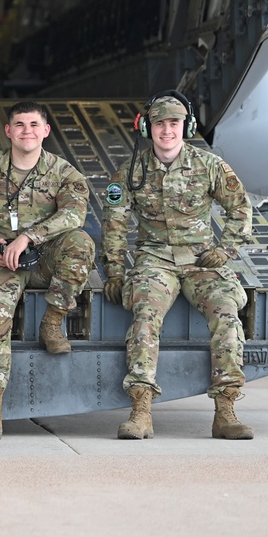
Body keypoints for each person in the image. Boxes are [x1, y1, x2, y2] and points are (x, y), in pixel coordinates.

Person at [101, 93, 254, 440]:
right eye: (160, 123)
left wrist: (226, 248)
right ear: (147, 128)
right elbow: (114, 222)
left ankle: (226, 411)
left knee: (227, 314)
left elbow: (240, 209)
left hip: (201, 260)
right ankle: (141, 411)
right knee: (144, 315)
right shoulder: (131, 172)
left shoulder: (209, 165)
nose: (167, 130)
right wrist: (114, 270)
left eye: (174, 123)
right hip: (155, 259)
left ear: (187, 126)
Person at [0, 101, 94, 440]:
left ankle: (53, 322)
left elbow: (74, 214)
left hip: (42, 257)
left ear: (45, 131)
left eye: (33, 124)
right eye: (19, 124)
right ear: (8, 131)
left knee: (81, 242)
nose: (26, 130)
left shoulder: (64, 173)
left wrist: (29, 237)